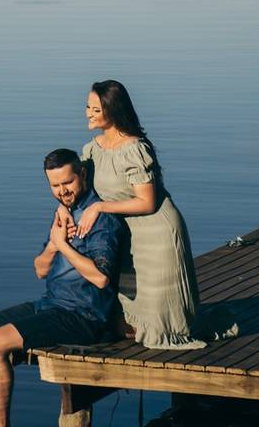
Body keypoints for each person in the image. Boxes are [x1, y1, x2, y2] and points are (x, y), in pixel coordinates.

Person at [0, 149, 124, 427]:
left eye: (67, 183)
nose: (62, 192)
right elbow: (40, 269)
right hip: (51, 304)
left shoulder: (101, 220)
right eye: (55, 186)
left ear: (82, 174)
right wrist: (52, 243)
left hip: (85, 316)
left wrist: (63, 246)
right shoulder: (64, 213)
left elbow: (101, 278)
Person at [74, 79, 207, 349]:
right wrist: (64, 213)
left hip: (157, 233)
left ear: (112, 111)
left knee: (160, 323)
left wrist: (99, 207)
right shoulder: (92, 149)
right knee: (132, 313)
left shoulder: (135, 149)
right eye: (87, 107)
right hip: (129, 234)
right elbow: (79, 190)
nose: (88, 113)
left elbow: (147, 203)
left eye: (95, 109)